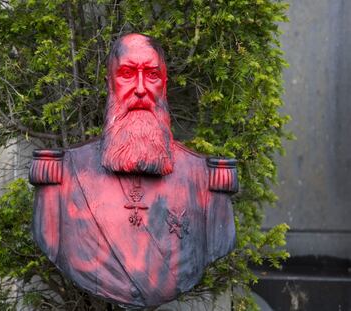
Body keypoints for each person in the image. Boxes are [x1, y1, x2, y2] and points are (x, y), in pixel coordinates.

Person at [29, 33, 238, 308]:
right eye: (127, 73)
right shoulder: (66, 175)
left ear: (163, 84)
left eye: (151, 75)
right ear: (110, 83)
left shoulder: (204, 179)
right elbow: (50, 242)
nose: (140, 88)